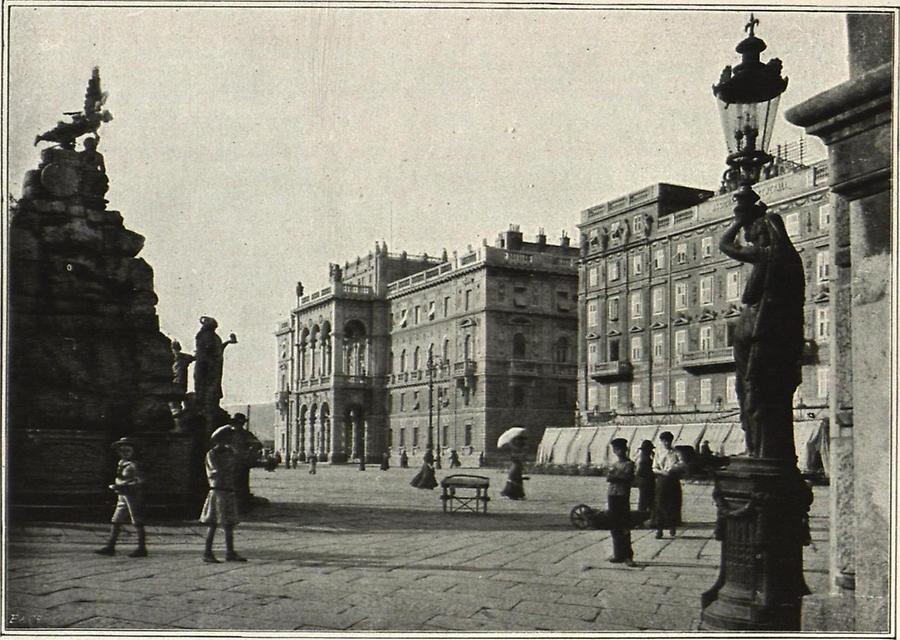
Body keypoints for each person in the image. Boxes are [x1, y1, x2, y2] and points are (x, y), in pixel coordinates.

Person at [719, 210, 804, 460]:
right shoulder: (788, 258)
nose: (751, 240)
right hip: (771, 332)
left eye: (753, 235)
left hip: (757, 329)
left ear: (764, 235)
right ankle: (761, 448)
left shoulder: (767, 255)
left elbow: (725, 244)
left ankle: (757, 448)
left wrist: (737, 220)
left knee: (750, 389)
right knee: (761, 392)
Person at [200, 425, 246, 563]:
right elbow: (215, 472)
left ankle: (230, 552)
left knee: (229, 523)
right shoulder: (212, 454)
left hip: (228, 490)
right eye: (228, 438)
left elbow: (239, 466)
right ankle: (207, 552)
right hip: (218, 491)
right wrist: (230, 466)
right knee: (213, 523)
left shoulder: (230, 452)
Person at [96, 438, 147, 558]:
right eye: (121, 450)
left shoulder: (134, 465)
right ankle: (110, 546)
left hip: (133, 494)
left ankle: (141, 547)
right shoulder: (121, 463)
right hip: (122, 494)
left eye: (127, 450)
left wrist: (127, 485)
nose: (124, 453)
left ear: (133, 451)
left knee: (136, 520)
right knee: (116, 520)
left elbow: (141, 480)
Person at [606, 438, 636, 566]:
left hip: (622, 496)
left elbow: (627, 478)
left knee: (624, 525)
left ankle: (628, 555)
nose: (618, 452)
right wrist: (617, 476)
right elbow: (609, 477)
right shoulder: (615, 464)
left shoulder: (629, 464)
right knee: (614, 525)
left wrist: (615, 476)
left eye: (620, 449)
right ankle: (618, 554)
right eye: (616, 450)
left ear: (625, 450)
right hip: (612, 494)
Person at [653, 431, 684, 539]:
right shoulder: (658, 452)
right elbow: (654, 467)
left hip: (673, 480)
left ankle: (672, 525)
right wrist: (662, 472)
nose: (666, 443)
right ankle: (659, 529)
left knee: (673, 504)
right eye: (664, 441)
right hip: (662, 479)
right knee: (660, 503)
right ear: (661, 441)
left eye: (668, 441)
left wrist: (673, 469)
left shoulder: (676, 452)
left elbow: (681, 464)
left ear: (671, 441)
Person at [634, 440, 656, 520]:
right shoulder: (644, 459)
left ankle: (645, 517)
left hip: (645, 481)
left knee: (645, 499)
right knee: (645, 499)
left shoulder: (641, 457)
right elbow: (639, 471)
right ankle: (643, 517)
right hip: (646, 481)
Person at [500, 436, 527, 500]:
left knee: (516, 480)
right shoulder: (516, 449)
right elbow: (515, 457)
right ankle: (512, 494)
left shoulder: (515, 448)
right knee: (515, 480)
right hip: (516, 466)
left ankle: (516, 494)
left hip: (516, 466)